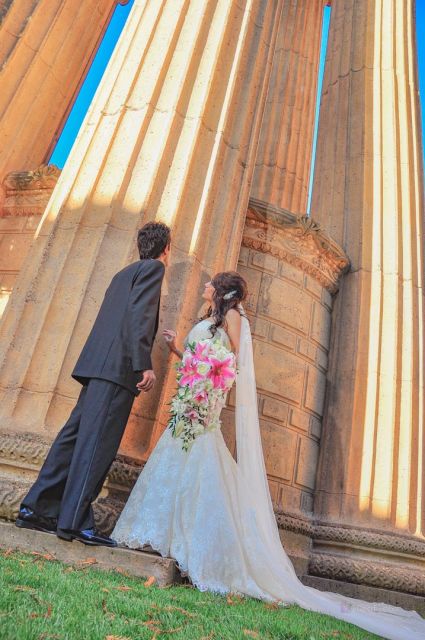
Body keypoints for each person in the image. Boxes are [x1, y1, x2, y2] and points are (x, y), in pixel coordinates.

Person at [112, 271, 425, 640]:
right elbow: (201, 359)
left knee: (200, 461)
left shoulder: (233, 317)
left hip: (206, 400)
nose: (205, 286)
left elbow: (234, 363)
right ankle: (164, 535)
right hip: (192, 397)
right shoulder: (209, 317)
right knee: (178, 459)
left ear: (222, 290)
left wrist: (209, 386)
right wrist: (178, 349)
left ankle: (197, 547)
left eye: (210, 283)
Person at [15, 222, 171, 547]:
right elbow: (139, 317)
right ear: (165, 248)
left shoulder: (123, 273)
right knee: (97, 445)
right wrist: (143, 363)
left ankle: (37, 509)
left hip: (96, 367)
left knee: (71, 440)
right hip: (117, 371)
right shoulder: (154, 269)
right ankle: (75, 522)